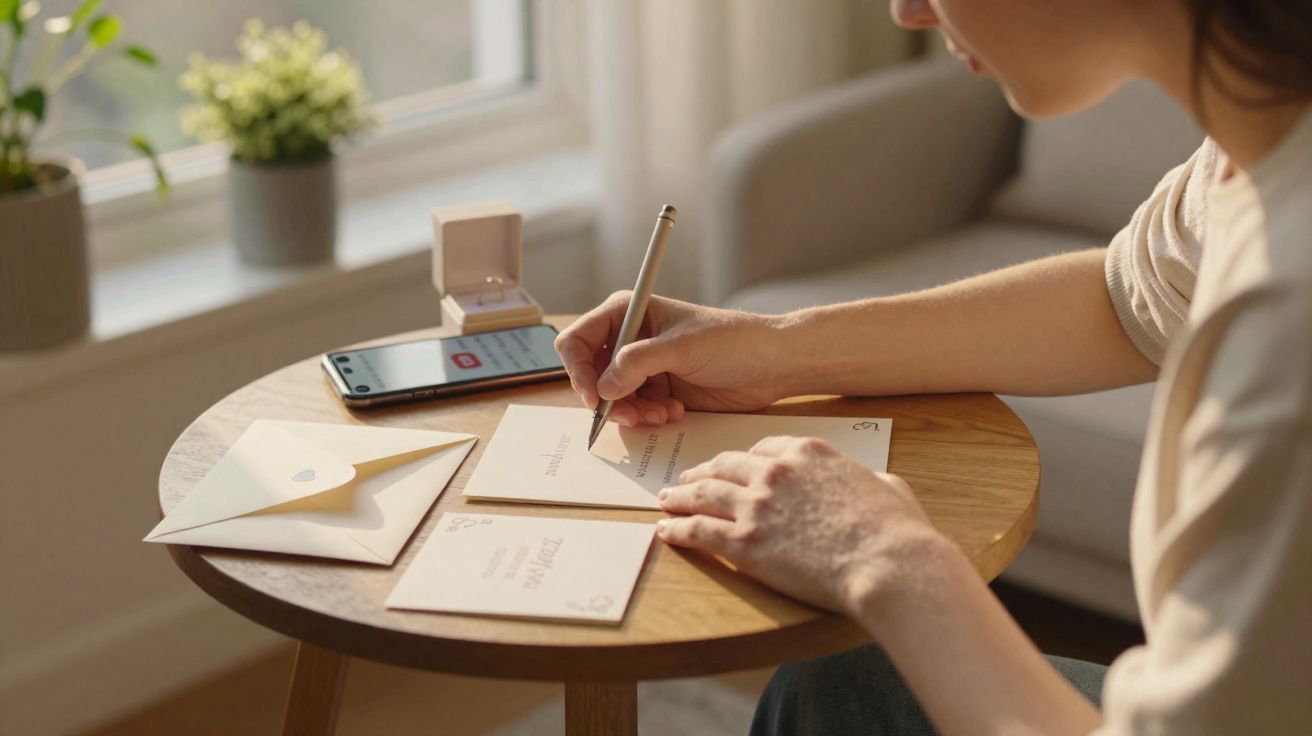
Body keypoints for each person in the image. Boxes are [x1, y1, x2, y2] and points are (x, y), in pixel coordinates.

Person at [556, 0, 1312, 733]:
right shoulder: (1260, 135)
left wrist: (888, 560)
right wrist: (775, 350)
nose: (908, 11)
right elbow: (1130, 301)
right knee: (833, 691)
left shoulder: (1288, 313)